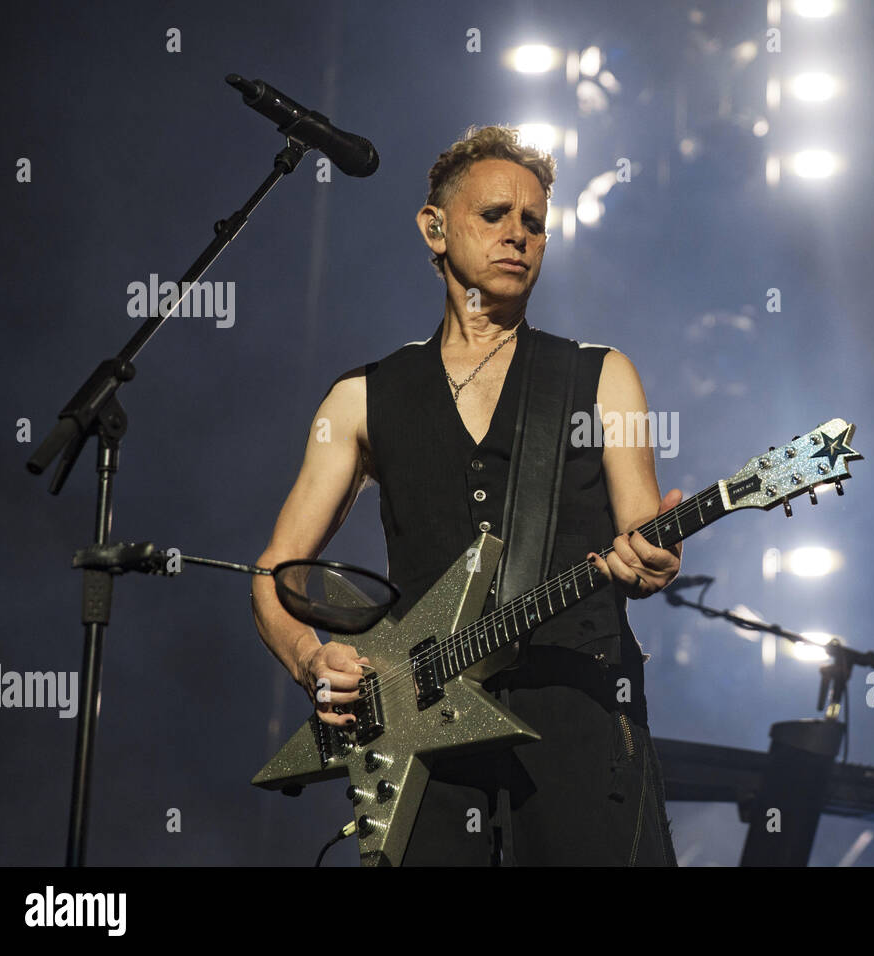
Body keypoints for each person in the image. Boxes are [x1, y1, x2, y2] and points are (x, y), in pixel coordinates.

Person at [250, 125, 682, 865]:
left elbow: (643, 539)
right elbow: (274, 573)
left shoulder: (603, 376)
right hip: (423, 750)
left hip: (578, 732)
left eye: (535, 223)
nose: (519, 235)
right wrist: (311, 659)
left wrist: (654, 554)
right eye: (495, 216)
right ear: (435, 227)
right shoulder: (362, 399)